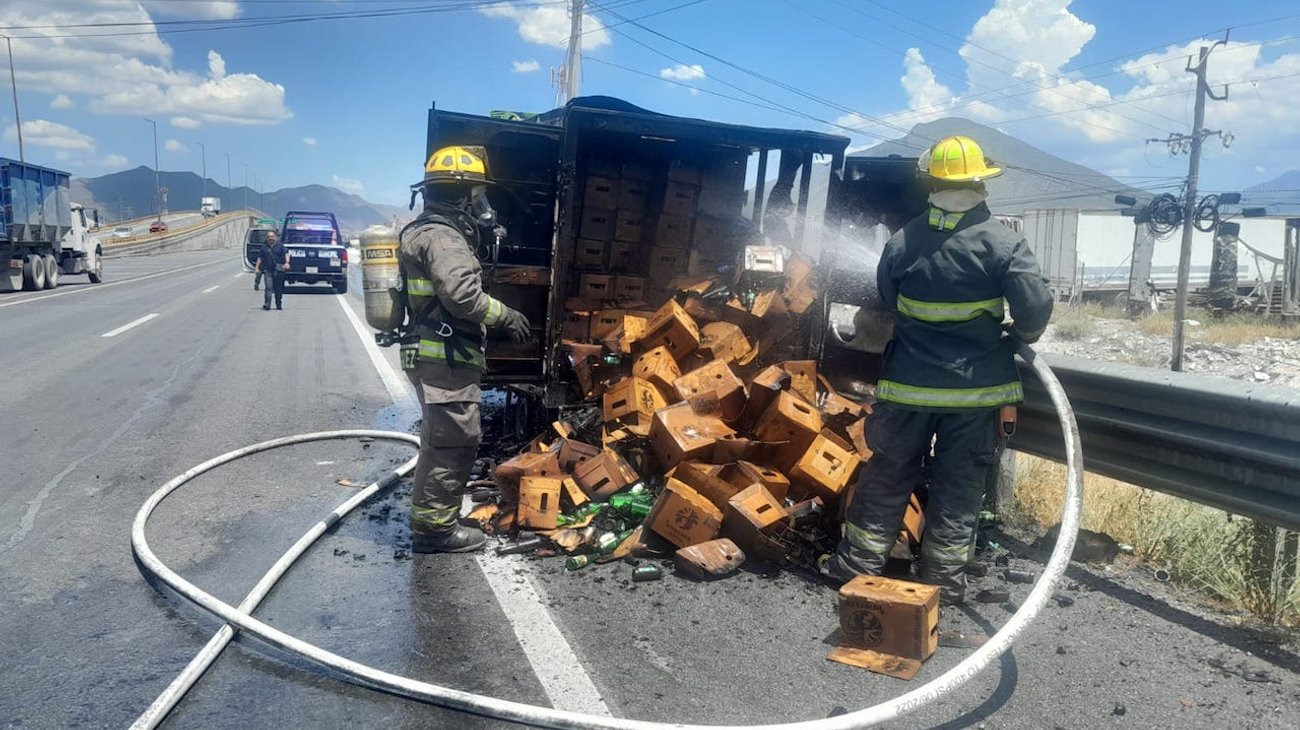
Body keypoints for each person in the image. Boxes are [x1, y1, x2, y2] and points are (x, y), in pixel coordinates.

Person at [828, 135, 1054, 604]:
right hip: (974, 394)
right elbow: (1034, 308)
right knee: (959, 485)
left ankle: (855, 567)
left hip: (907, 387)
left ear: (930, 184)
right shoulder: (1005, 243)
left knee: (887, 475)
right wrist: (1021, 333)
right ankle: (943, 583)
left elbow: (890, 298)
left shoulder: (902, 241)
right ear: (981, 184)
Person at [399, 145, 532, 553]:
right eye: (478, 195)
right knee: (452, 442)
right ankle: (434, 532)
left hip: (437, 355)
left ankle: (434, 522)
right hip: (443, 357)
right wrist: (506, 316)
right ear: (459, 195)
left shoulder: (426, 232)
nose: (483, 206)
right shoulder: (444, 238)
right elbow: (462, 297)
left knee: (442, 439)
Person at [255, 230, 288, 310]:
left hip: (278, 271)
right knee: (268, 287)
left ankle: (278, 303)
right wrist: (257, 268)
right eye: (268, 236)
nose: (270, 238)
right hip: (268, 270)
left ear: (275, 237)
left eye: (272, 236)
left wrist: (287, 263)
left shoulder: (280, 246)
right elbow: (260, 258)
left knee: (278, 288)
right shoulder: (264, 247)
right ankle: (267, 304)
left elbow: (286, 253)